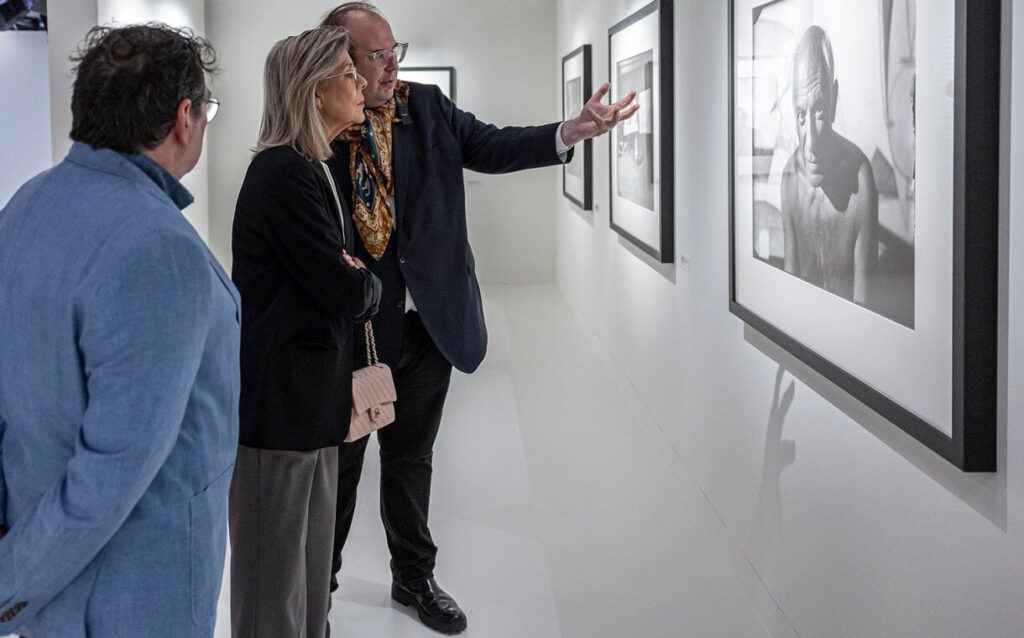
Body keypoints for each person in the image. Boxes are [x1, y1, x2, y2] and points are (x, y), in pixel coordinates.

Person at [320, 3, 638, 634]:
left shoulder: (428, 107)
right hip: (356, 329)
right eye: (375, 55)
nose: (391, 65)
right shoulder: (322, 123)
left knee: (412, 457)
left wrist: (571, 131)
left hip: (430, 323)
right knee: (344, 463)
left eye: (394, 50)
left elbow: (493, 146)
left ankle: (414, 578)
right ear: (340, 61)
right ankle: (316, 590)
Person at [0, 24, 236, 637]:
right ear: (185, 117)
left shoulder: (27, 203)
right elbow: (111, 473)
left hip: (50, 571)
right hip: (130, 595)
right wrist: (8, 585)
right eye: (206, 109)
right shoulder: (158, 247)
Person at [228, 25, 382, 638]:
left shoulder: (314, 167)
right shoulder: (283, 173)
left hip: (312, 407)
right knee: (275, 595)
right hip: (280, 415)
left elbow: (343, 280)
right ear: (315, 92)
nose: (362, 81)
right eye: (349, 73)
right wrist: (363, 283)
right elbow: (346, 287)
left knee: (309, 585)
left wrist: (354, 279)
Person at [780, 25, 878, 304]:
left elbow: (864, 307)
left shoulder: (861, 180)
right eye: (801, 115)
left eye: (820, 110)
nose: (810, 142)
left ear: (834, 99)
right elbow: (790, 287)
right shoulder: (789, 179)